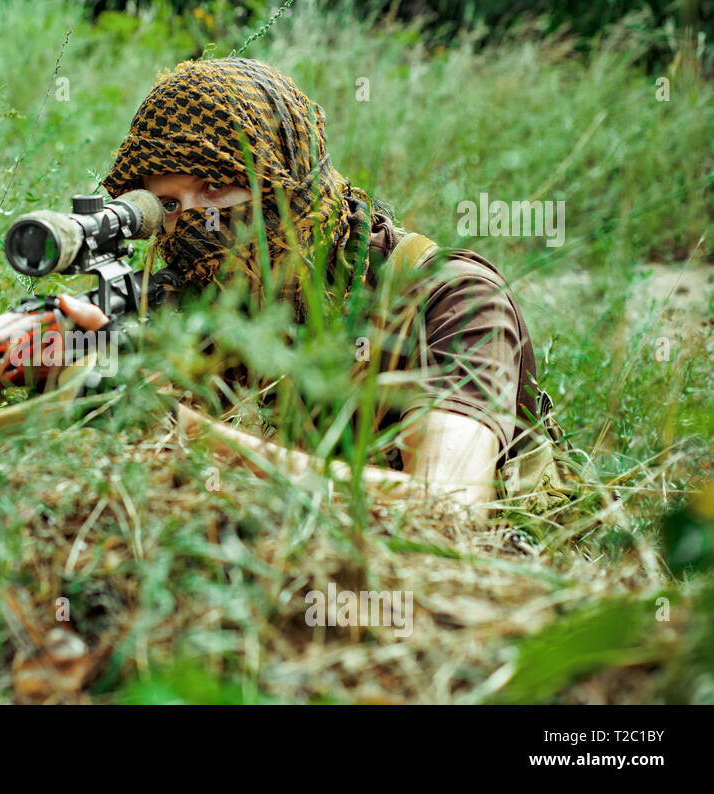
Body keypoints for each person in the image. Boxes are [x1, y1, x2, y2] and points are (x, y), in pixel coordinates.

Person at [57, 57, 546, 518]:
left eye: (215, 188)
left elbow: (444, 508)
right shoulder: (180, 308)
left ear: (290, 180)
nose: (195, 223)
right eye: (167, 205)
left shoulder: (452, 300)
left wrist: (184, 430)